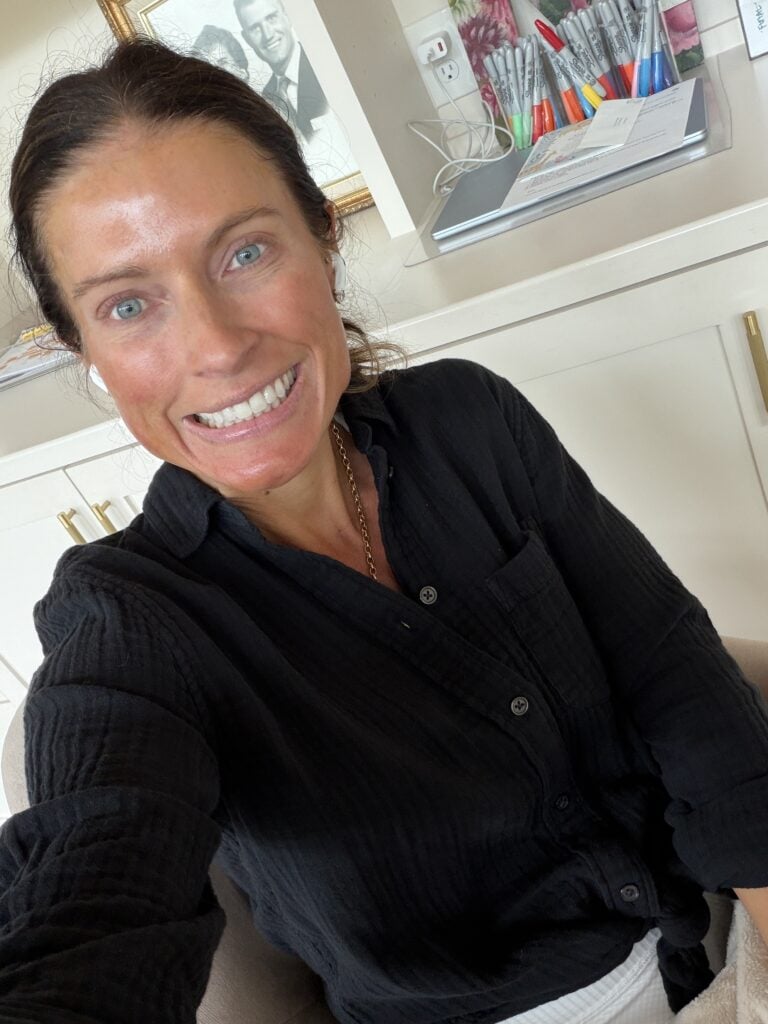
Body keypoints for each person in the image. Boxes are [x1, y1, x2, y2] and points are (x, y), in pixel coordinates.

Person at [1, 36, 767, 1024]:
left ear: (323, 241)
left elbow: (671, 667)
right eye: (129, 304)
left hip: (704, 935)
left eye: (245, 252)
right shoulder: (126, 622)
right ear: (85, 350)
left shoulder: (469, 420)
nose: (217, 348)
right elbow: (93, 883)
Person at [234, 0, 328, 141]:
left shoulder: (324, 65)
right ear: (247, 39)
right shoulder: (265, 100)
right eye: (255, 28)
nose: (268, 35)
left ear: (288, 16)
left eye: (271, 18)